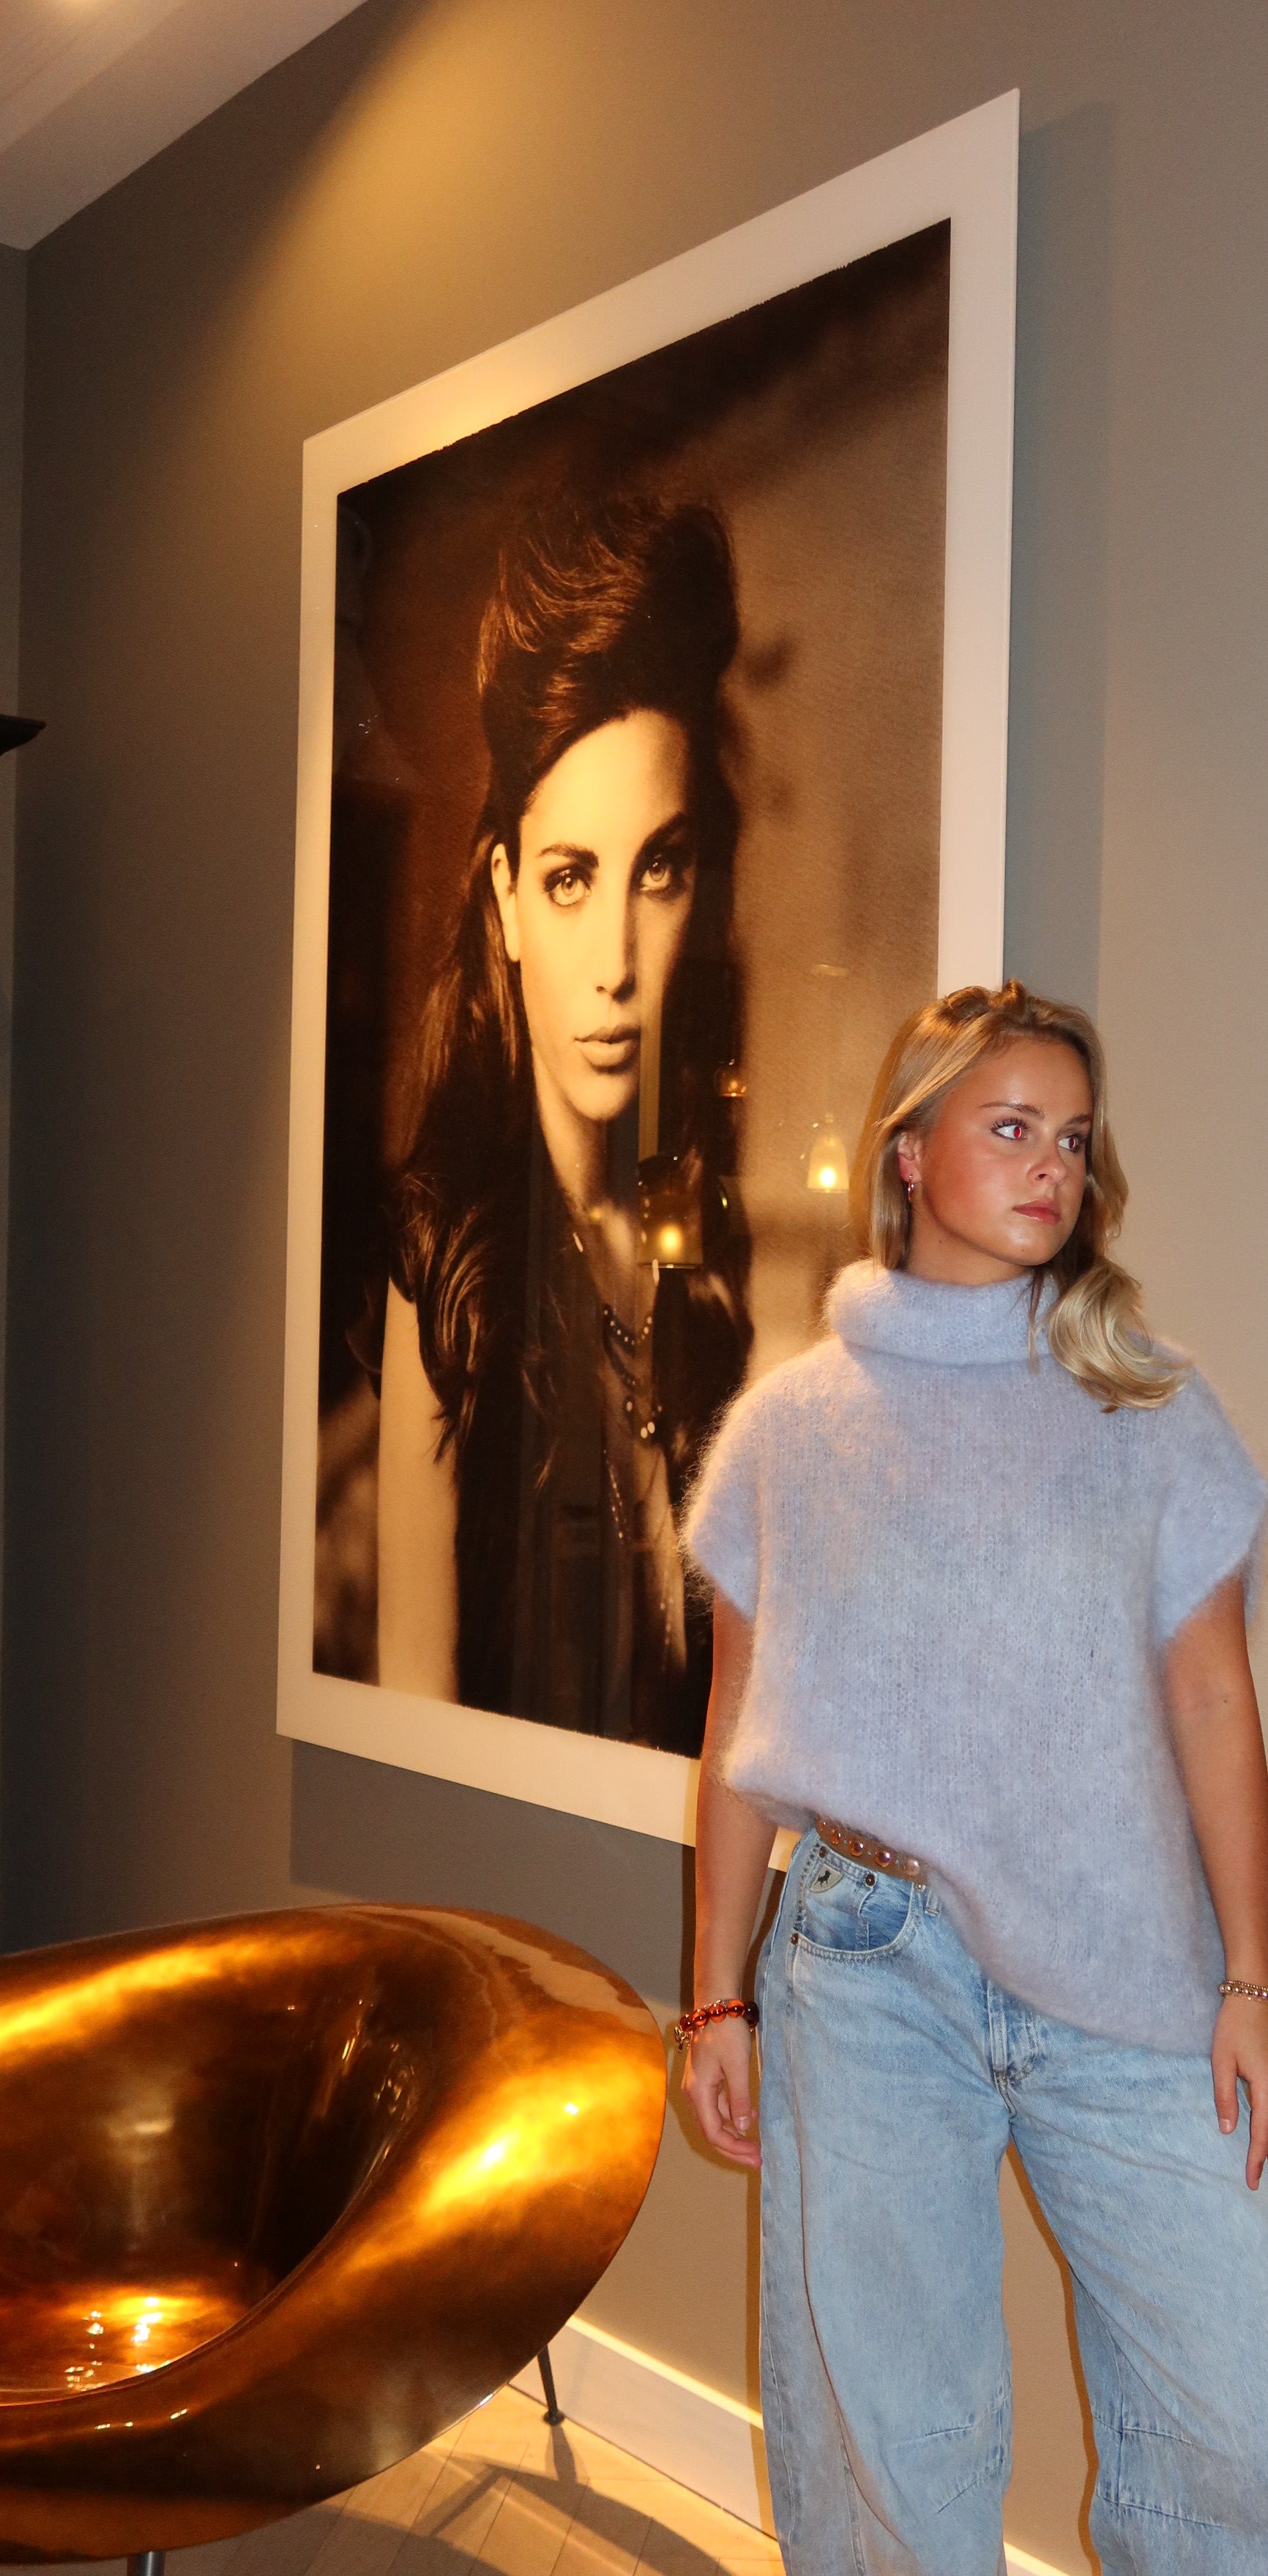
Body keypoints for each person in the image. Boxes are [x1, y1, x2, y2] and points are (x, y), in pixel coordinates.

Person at [678, 980, 1268, 2576]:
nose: (1052, 1165)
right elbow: (742, 1738)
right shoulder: (790, 1432)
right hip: (863, 1967)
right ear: (908, 1154)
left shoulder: (1148, 1410)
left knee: (1263, 2458)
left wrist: (1255, 1983)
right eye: (1009, 1128)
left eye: (1071, 1136)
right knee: (895, 2453)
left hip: (1123, 1966)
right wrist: (713, 1998)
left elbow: (1214, 1704)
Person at [376, 490, 750, 1751]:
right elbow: (413, 1724)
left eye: (660, 870)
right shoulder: (449, 1265)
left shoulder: (696, 1246)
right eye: (572, 879)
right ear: (507, 902)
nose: (617, 966)